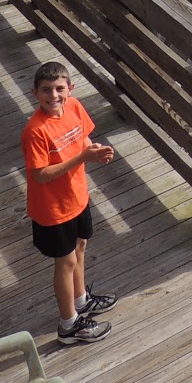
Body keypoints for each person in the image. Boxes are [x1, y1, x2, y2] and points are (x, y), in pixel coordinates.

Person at [22, 61, 118, 343]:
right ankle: (68, 325)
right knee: (65, 262)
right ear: (35, 93)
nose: (54, 95)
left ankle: (81, 300)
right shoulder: (35, 131)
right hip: (52, 209)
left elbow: (83, 136)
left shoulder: (74, 106)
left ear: (70, 89)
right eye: (46, 90)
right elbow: (40, 175)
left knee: (81, 247)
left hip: (77, 196)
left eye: (59, 88)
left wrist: (94, 150)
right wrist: (82, 158)